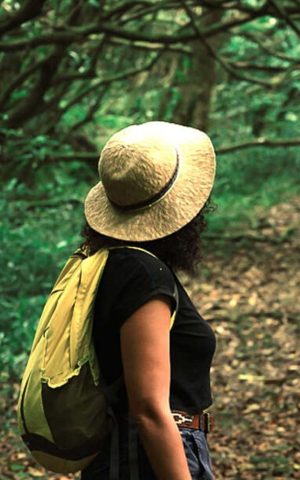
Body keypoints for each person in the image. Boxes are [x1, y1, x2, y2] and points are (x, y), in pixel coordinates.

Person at [80, 121, 217, 480]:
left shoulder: (111, 261)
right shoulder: (142, 275)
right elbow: (149, 410)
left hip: (129, 453)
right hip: (148, 457)